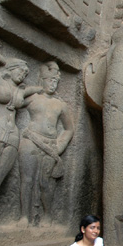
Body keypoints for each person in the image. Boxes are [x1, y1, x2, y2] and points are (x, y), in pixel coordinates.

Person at [0, 47, 41, 226]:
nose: (23, 75)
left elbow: (33, 90)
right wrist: (0, 59)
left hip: (12, 136)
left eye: (26, 73)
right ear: (10, 70)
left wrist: (43, 87)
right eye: (21, 71)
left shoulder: (19, 91)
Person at [18, 61, 74, 227]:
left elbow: (69, 129)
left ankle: (47, 216)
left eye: (55, 81)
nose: (53, 84)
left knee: (46, 183)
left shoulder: (60, 104)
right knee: (26, 180)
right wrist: (33, 89)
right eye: (49, 80)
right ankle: (24, 217)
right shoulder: (33, 98)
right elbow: (15, 100)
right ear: (41, 79)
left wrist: (59, 145)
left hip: (50, 145)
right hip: (30, 140)